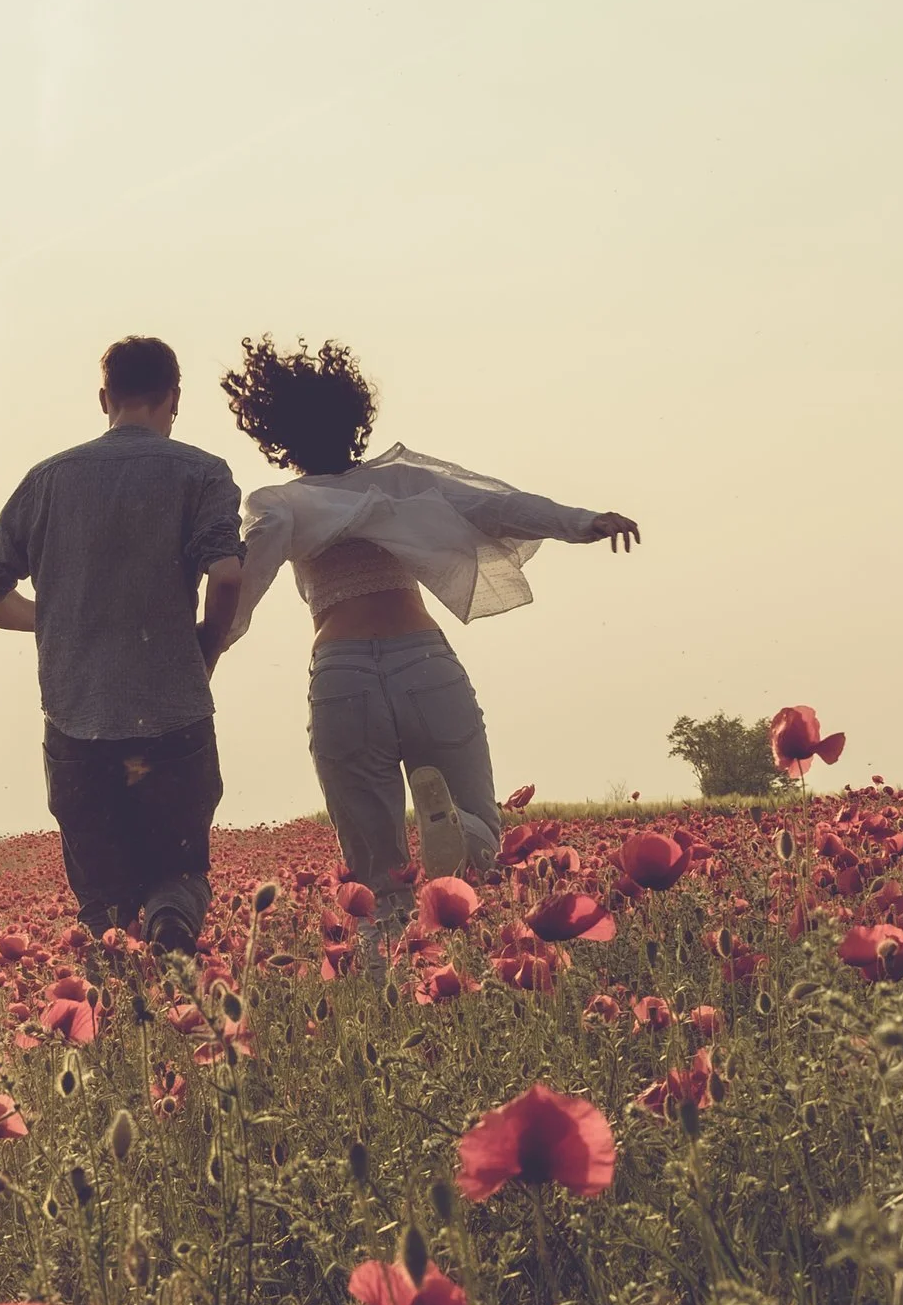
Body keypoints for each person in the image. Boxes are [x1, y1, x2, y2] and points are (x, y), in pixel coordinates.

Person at [218, 337, 638, 933]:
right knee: (484, 836)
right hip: (424, 666)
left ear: (275, 432)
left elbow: (243, 591)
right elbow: (497, 506)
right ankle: (460, 834)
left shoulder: (279, 503)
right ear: (355, 417)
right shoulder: (400, 482)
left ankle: (378, 987)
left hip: (342, 679)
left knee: (375, 879)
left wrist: (202, 653)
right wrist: (581, 522)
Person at [0, 336, 245, 952]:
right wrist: (210, 648)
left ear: (103, 399)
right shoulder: (203, 473)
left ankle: (119, 997)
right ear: (174, 398)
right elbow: (226, 575)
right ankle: (171, 918)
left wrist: (65, 617)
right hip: (174, 716)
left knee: (106, 911)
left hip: (78, 725)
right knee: (179, 874)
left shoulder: (46, 480)